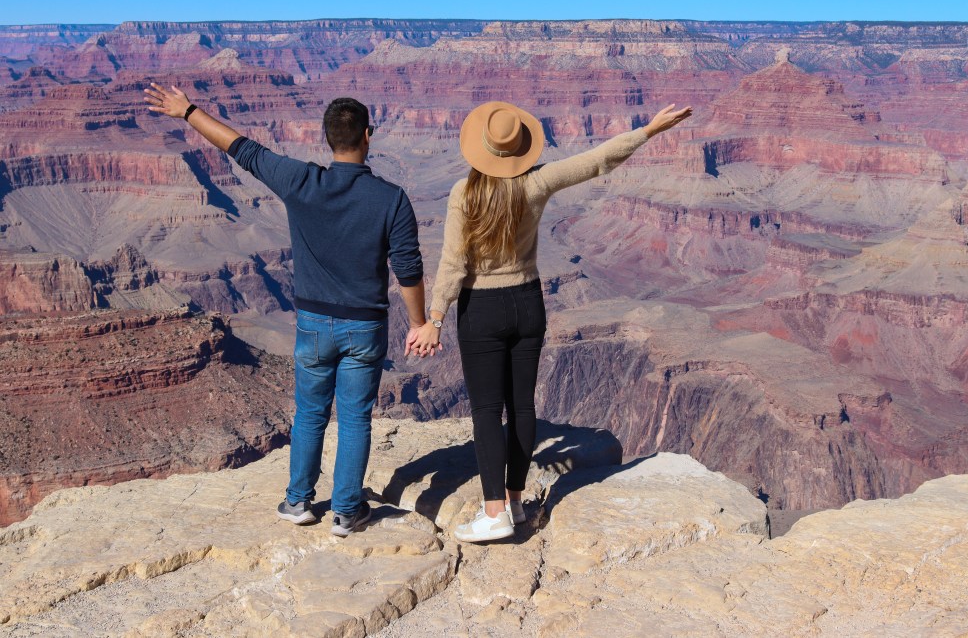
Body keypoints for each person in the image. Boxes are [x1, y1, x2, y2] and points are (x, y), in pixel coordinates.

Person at [144, 83, 427, 536]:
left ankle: (298, 501)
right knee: (355, 417)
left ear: (326, 138)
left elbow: (243, 150)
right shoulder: (391, 198)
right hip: (365, 325)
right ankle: (347, 512)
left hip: (313, 324)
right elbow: (408, 269)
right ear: (367, 135)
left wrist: (188, 111)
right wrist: (418, 322)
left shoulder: (300, 180)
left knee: (311, 413)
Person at [408, 100, 693, 542]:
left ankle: (494, 513)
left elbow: (453, 261)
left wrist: (435, 318)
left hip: (481, 308)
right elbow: (596, 160)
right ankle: (516, 503)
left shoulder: (464, 193)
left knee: (487, 411)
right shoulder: (536, 183)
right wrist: (648, 131)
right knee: (523, 407)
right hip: (527, 303)